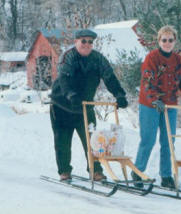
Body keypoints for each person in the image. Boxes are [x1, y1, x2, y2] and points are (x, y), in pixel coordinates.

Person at [50, 29, 128, 181]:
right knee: (63, 141)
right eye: (83, 41)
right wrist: (71, 95)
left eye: (90, 42)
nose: (87, 44)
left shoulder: (98, 59)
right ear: (76, 42)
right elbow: (64, 80)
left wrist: (119, 94)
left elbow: (110, 78)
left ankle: (95, 170)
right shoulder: (68, 57)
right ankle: (64, 171)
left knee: (93, 140)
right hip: (62, 106)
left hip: (85, 106)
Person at [131, 25, 181, 188]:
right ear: (159, 41)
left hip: (170, 105)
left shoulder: (178, 60)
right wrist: (155, 99)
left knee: (168, 141)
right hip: (151, 105)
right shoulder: (152, 58)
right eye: (164, 40)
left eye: (170, 40)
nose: (167, 43)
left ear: (175, 41)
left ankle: (166, 175)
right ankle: (137, 172)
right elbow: (147, 82)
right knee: (148, 140)